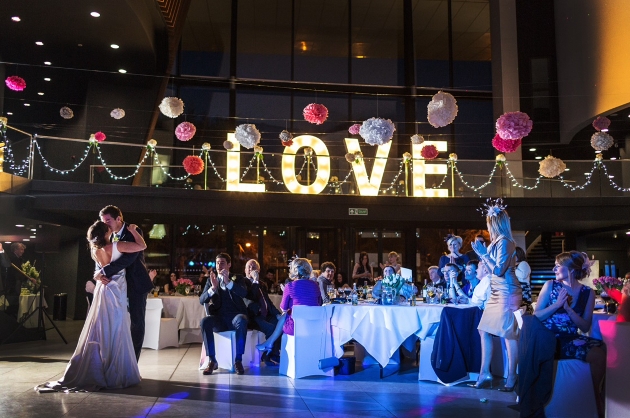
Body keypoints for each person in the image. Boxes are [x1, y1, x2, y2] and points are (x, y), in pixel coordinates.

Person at [37, 220, 146, 392]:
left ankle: (99, 366)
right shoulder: (117, 246)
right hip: (115, 293)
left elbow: (99, 270)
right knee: (116, 328)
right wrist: (133, 230)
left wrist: (98, 274)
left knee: (100, 327)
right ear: (105, 233)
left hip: (103, 291)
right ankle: (114, 370)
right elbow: (141, 245)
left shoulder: (95, 251)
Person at [533, 251, 606, 415]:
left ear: (571, 269)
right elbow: (536, 316)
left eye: (558, 266)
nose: (554, 269)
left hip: (571, 338)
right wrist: (557, 304)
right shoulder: (550, 285)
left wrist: (567, 309)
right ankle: (594, 398)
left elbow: (585, 326)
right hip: (549, 337)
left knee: (603, 350)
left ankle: (597, 395)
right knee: (597, 354)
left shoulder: (588, 293)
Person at [469, 199, 521, 392]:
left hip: (507, 290)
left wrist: (483, 254)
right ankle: (485, 373)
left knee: (508, 335)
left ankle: (512, 377)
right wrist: (484, 254)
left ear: (495, 223)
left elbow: (498, 270)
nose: (487, 226)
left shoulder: (506, 242)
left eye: (489, 223)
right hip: (496, 291)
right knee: (484, 330)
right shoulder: (497, 242)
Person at [94, 205, 153, 361]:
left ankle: (133, 361)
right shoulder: (107, 235)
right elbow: (99, 256)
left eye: (108, 221)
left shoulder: (134, 231)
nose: (105, 225)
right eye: (103, 221)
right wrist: (98, 274)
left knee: (136, 322)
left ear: (118, 219)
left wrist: (105, 271)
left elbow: (128, 259)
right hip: (114, 286)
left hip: (135, 284)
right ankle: (114, 359)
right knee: (115, 322)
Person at [199, 253, 249, 375]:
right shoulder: (211, 280)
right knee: (205, 322)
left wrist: (228, 282)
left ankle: (238, 360)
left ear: (229, 265)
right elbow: (202, 300)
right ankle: (212, 360)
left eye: (222, 263)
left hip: (235, 318)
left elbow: (243, 293)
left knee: (242, 319)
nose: (219, 265)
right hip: (219, 320)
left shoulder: (238, 278)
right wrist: (213, 288)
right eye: (217, 263)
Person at [265, 258, 322, 346]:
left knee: (285, 315)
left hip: (295, 328)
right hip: (313, 326)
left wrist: (285, 293)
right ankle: (269, 343)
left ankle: (270, 343)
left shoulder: (290, 286)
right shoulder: (316, 285)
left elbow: (283, 308)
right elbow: (318, 304)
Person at [243, 259, 283, 365]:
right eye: (249, 267)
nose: (251, 269)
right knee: (271, 328)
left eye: (254, 267)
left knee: (281, 325)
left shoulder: (261, 284)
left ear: (258, 270)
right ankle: (269, 356)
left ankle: (271, 355)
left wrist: (277, 314)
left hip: (267, 314)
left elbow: (268, 302)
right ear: (245, 270)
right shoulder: (242, 283)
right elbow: (251, 297)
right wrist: (255, 281)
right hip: (253, 316)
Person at [3, 243, 36, 317]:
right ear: (15, 250)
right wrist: (29, 279)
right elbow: (17, 274)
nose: (23, 251)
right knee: (12, 306)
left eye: (23, 249)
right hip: (12, 287)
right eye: (21, 249)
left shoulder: (17, 259)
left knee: (14, 305)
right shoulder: (12, 259)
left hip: (14, 286)